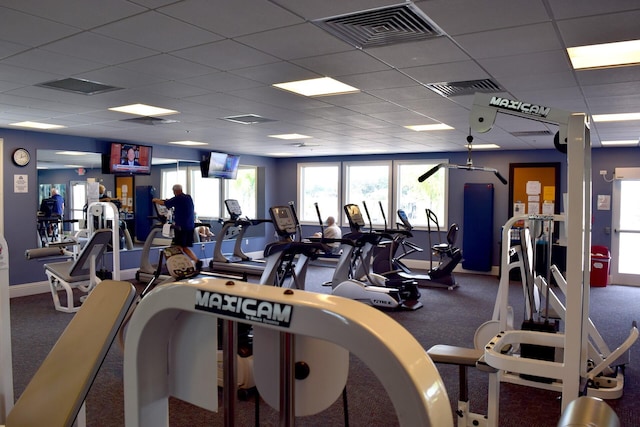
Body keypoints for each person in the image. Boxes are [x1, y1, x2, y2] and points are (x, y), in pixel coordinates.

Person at [152, 185, 201, 270]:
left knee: (177, 247)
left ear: (175, 191)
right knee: (184, 247)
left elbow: (164, 203)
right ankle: (197, 261)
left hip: (181, 227)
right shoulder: (188, 197)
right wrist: (167, 201)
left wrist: (155, 200)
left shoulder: (178, 198)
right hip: (190, 226)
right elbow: (170, 202)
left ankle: (182, 264)